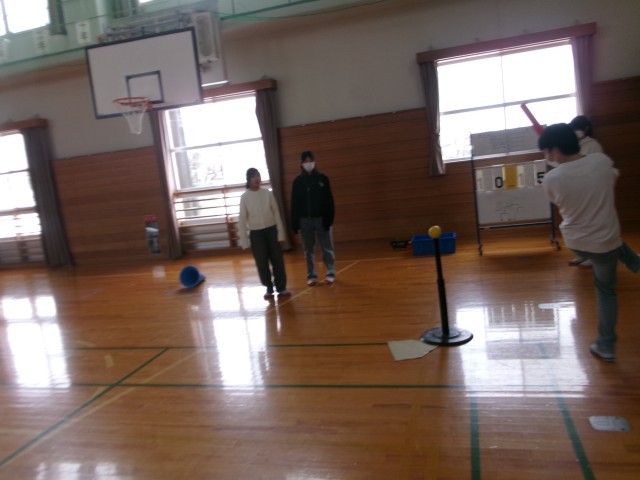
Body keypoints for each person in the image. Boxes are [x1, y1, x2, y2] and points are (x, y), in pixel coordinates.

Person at [539, 123, 639, 362]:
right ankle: (605, 344)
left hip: (576, 243)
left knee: (609, 243)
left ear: (555, 150)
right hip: (604, 242)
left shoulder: (551, 178)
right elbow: (612, 178)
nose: (545, 156)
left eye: (546, 151)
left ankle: (635, 262)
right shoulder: (601, 161)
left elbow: (556, 200)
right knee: (606, 288)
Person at [238, 168, 291, 299]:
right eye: (253, 176)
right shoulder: (244, 197)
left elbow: (276, 214)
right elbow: (242, 220)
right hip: (256, 235)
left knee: (277, 260)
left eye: (258, 176)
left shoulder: (267, 193)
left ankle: (281, 287)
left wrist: (281, 234)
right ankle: (269, 287)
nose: (257, 178)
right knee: (262, 263)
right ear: (248, 180)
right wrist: (244, 241)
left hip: (272, 231)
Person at [291, 150, 336, 286]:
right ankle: (311, 276)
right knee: (308, 250)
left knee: (327, 248)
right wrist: (295, 223)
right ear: (301, 164)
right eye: (306, 161)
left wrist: (329, 219)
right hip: (305, 221)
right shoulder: (297, 182)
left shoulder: (323, 179)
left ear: (314, 162)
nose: (308, 163)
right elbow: (294, 203)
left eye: (311, 161)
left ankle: (330, 273)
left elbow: (329, 201)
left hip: (321, 219)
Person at [566, 115, 605, 268]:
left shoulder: (593, 145)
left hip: (590, 190)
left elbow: (597, 168)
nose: (576, 132)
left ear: (586, 129)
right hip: (575, 190)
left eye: (578, 128)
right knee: (578, 226)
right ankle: (582, 255)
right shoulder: (572, 145)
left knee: (591, 225)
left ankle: (594, 257)